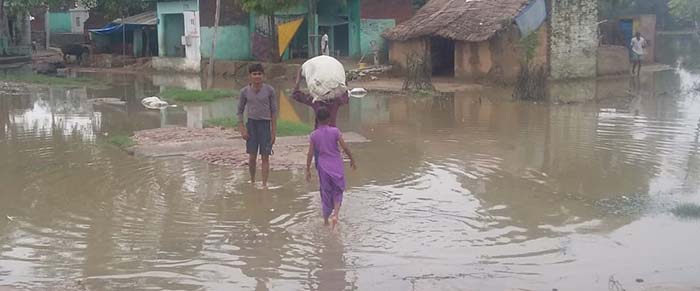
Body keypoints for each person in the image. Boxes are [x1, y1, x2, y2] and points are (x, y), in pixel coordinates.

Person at [306, 108, 356, 229]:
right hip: (336, 165)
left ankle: (326, 221)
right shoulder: (335, 131)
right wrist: (352, 159)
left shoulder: (314, 135)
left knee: (325, 192)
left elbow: (310, 153)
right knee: (338, 190)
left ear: (317, 120)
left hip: (323, 166)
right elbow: (345, 147)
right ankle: (336, 215)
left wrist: (307, 168)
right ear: (329, 119)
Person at [237, 63, 277, 187]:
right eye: (254, 74)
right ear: (250, 76)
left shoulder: (270, 90)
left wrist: (273, 131)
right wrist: (242, 129)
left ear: (263, 75)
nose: (257, 76)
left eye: (259, 74)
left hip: (265, 125)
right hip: (252, 125)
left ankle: (264, 184)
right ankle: (253, 181)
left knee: (265, 156)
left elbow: (274, 112)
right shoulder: (244, 91)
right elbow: (240, 111)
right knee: (252, 156)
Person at [292, 56, 349, 129]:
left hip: (318, 133)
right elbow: (346, 96)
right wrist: (343, 82)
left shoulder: (315, 101)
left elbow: (295, 95)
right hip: (332, 133)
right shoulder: (336, 101)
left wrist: (298, 81)